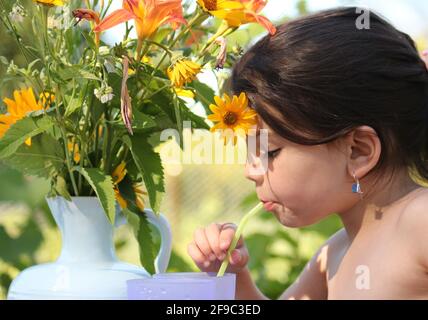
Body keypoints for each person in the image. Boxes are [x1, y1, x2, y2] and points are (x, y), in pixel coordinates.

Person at [187, 7, 428, 299]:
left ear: (358, 151)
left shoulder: (419, 221)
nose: (249, 170)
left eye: (270, 152)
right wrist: (236, 280)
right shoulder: (332, 256)